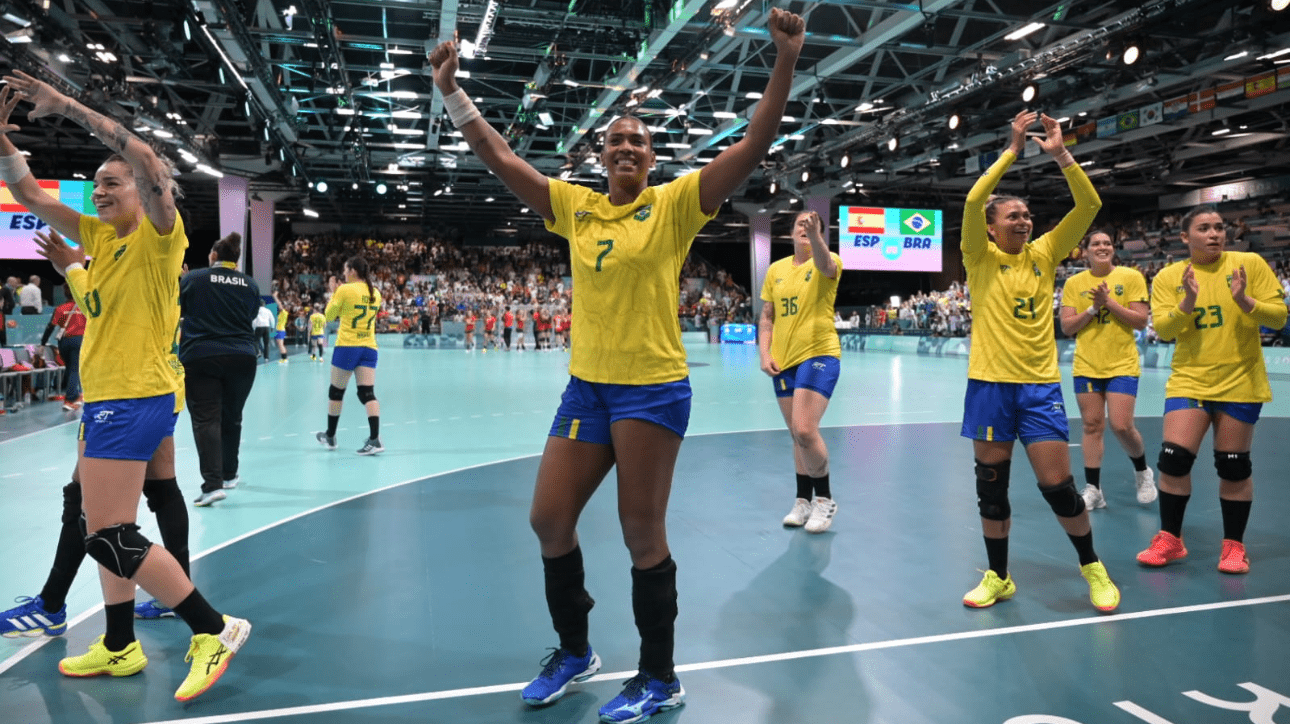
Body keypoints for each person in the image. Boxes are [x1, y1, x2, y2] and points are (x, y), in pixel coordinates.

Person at [430, 8, 804, 722]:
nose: (626, 145)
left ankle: (660, 676)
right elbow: (501, 158)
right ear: (602, 156)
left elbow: (754, 145)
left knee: (641, 533)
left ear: (653, 157)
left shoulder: (673, 205)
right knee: (547, 519)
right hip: (589, 389)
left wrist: (784, 58)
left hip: (651, 391)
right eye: (615, 140)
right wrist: (453, 90)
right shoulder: (575, 208)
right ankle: (576, 651)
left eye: (638, 139)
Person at [6, 69, 248, 701]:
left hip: (136, 396)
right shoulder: (99, 240)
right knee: (97, 520)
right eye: (96, 185)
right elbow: (28, 193)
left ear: (143, 192)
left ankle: (213, 629)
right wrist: (3, 147)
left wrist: (63, 105)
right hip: (107, 395)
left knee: (108, 533)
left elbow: (143, 156)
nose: (101, 191)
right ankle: (118, 645)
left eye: (111, 183)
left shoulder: (161, 239)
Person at [959, 110, 1120, 613]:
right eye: (1013, 215)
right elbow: (971, 199)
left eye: (1027, 215)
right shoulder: (979, 256)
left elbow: (1089, 203)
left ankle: (1093, 567)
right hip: (989, 387)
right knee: (992, 492)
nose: (1024, 220)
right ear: (991, 227)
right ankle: (999, 576)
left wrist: (1061, 154)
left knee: (1059, 488)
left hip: (1038, 388)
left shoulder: (1045, 253)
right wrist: (1011, 149)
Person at [1136, 205, 1287, 574]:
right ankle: (1170, 539)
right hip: (1190, 378)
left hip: (1240, 380)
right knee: (1173, 457)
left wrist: (1245, 301)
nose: (1215, 234)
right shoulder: (1169, 276)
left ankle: (1234, 546)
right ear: (1185, 236)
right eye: (1204, 228)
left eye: (1219, 227)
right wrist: (1187, 301)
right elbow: (1167, 331)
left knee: (1233, 466)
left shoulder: (1248, 264)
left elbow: (1280, 318)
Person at [758, 210, 843, 533]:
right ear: (791, 233)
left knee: (806, 429)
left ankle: (824, 499)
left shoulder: (827, 259)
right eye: (800, 225)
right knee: (797, 434)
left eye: (812, 225)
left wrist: (817, 235)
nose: (805, 229)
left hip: (818, 354)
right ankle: (802, 500)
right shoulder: (776, 270)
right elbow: (767, 317)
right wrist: (765, 353)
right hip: (784, 360)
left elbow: (826, 265)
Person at [1059, 230, 1156, 509]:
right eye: (1096, 244)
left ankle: (1142, 472)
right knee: (1091, 426)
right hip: (1087, 365)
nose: (1102, 247)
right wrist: (1092, 308)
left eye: (1107, 243)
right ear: (1085, 251)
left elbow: (1139, 321)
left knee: (1122, 425)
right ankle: (1094, 490)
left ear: (1113, 249)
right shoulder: (1075, 283)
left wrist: (1108, 303)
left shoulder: (1131, 277)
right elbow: (1067, 327)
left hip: (1122, 363)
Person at [178, 232, 262, 506]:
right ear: (235, 260)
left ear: (213, 256)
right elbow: (250, 316)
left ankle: (212, 484)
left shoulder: (193, 278)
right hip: (242, 358)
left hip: (202, 356)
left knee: (206, 419)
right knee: (232, 416)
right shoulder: (250, 285)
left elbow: (181, 309)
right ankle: (230, 473)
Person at [314, 255, 383, 455]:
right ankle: (375, 439)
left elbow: (328, 316)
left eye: (345, 269)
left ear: (352, 270)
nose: (344, 273)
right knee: (367, 393)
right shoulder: (375, 293)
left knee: (336, 392)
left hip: (347, 346)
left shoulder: (344, 290)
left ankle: (330, 436)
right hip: (369, 347)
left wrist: (334, 293)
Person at [40, 283, 86, 411]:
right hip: (79, 340)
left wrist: (43, 344)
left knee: (70, 368)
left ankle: (75, 395)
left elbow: (51, 327)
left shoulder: (60, 308)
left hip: (64, 342)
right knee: (74, 369)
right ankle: (70, 398)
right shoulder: (84, 308)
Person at [273, 292, 289, 363]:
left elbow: (279, 304)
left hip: (280, 330)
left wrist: (275, 296)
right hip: (280, 330)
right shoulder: (282, 313)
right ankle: (285, 358)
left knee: (281, 345)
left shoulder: (284, 313)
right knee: (280, 344)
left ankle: (284, 359)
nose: (281, 306)